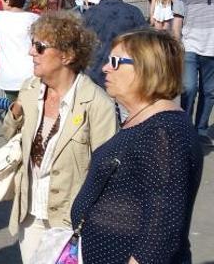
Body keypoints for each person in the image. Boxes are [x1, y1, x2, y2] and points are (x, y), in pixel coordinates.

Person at [71, 29, 202, 263]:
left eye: (115, 62)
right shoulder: (146, 121)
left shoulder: (166, 132)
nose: (105, 68)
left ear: (146, 67)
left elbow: (162, 232)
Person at [3, 12, 119, 262]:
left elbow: (108, 175)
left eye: (40, 47)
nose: (31, 52)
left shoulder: (97, 104)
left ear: (67, 55)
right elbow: (10, 136)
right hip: (30, 214)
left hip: (70, 222)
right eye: (32, 45)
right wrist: (15, 113)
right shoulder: (30, 89)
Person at [82, 0, 148, 91]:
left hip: (93, 77)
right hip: (125, 77)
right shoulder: (133, 13)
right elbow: (146, 46)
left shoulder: (88, 15)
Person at [172, 0, 214, 146]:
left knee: (210, 91)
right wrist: (176, 43)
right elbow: (177, 22)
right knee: (189, 88)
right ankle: (185, 128)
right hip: (189, 48)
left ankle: (201, 130)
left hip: (212, 50)